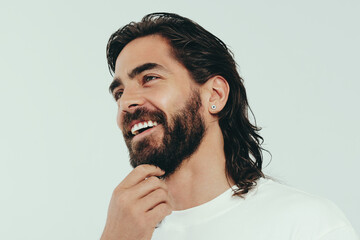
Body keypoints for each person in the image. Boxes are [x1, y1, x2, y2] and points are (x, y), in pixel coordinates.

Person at [101, 12, 358, 240]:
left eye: (150, 78)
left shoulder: (308, 226)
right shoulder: (126, 229)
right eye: (119, 93)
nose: (127, 102)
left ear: (215, 95)